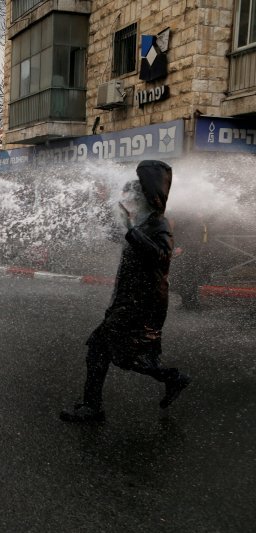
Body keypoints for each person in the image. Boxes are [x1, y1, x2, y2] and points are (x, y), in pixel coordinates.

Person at [61, 160, 191, 422]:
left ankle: (92, 408)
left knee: (100, 347)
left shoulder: (159, 224)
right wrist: (110, 214)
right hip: (128, 300)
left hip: (141, 303)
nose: (130, 199)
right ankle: (173, 378)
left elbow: (161, 256)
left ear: (147, 196)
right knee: (123, 355)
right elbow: (119, 235)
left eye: (135, 195)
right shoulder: (142, 222)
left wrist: (130, 228)